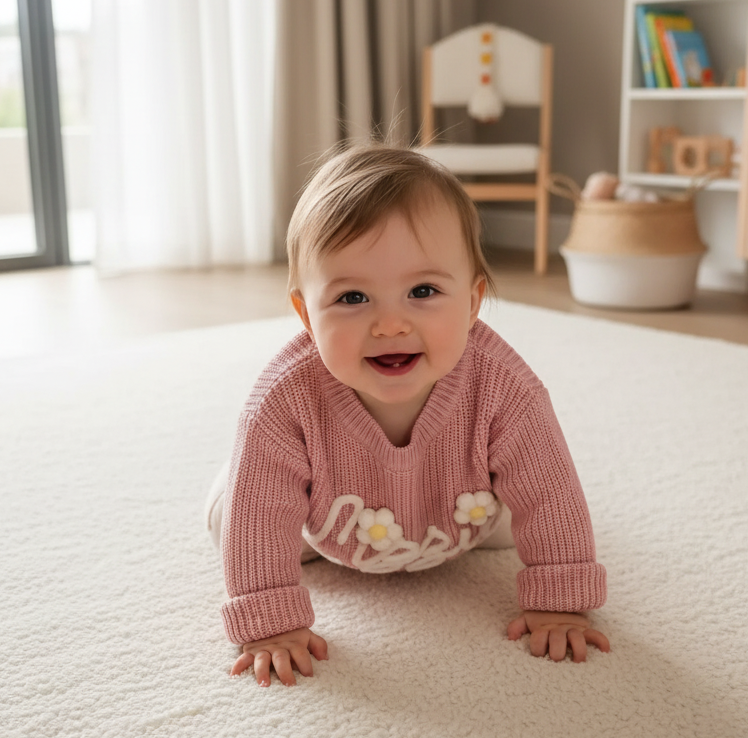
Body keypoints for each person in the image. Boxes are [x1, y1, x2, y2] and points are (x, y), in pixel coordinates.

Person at [206, 144, 609, 686]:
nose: (390, 324)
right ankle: (236, 484)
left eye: (423, 291)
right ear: (306, 313)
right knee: (240, 520)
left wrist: (561, 599)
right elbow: (259, 519)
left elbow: (550, 489)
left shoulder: (505, 387)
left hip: (461, 515)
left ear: (472, 302)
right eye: (352, 298)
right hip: (325, 524)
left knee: (527, 519)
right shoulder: (283, 402)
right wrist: (269, 623)